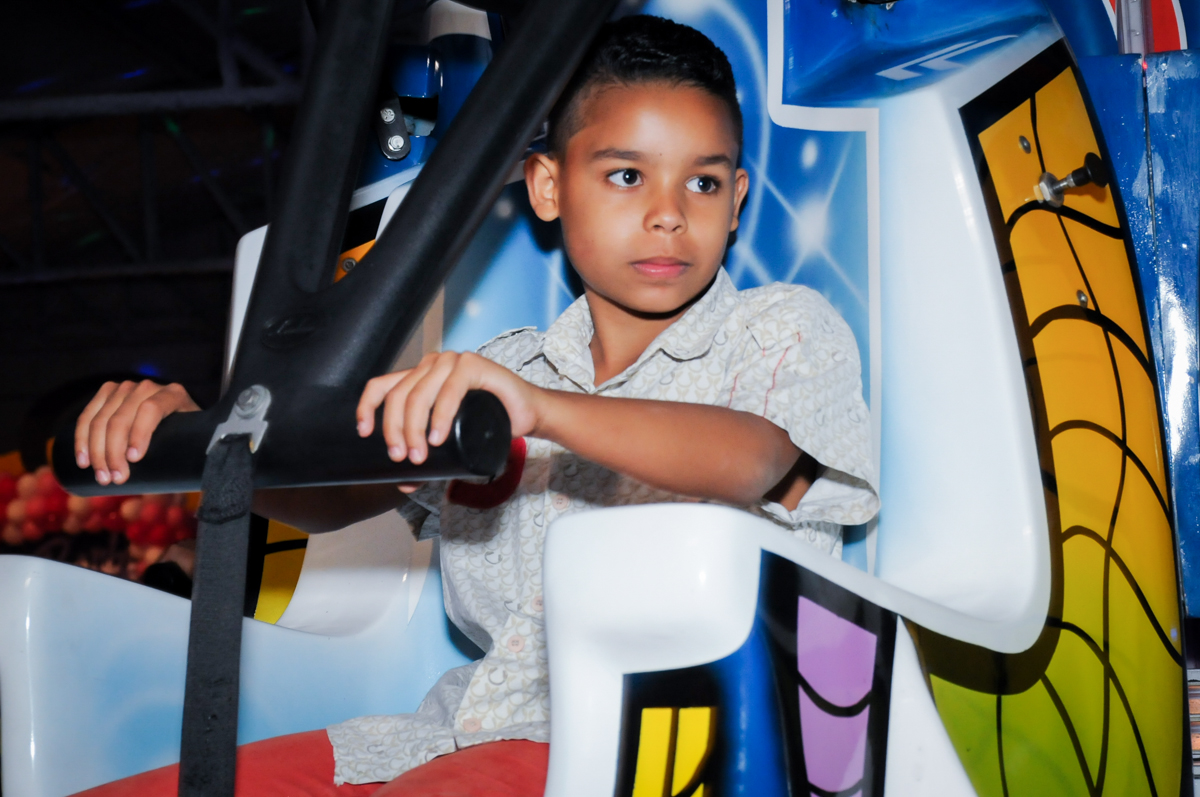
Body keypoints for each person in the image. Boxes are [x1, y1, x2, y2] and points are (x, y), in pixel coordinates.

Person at [71, 14, 878, 797]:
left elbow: (756, 461)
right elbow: (320, 498)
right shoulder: (502, 370)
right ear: (549, 186)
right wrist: (201, 439)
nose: (669, 211)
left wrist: (541, 410)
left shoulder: (778, 330)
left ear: (736, 199)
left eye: (702, 181)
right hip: (451, 734)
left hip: (651, 743)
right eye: (627, 174)